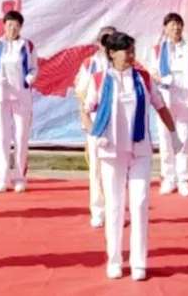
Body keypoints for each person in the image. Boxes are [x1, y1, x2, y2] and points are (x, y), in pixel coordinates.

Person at [85, 32, 180, 281]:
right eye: (126, 51)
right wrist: (94, 134)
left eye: (132, 51)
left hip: (140, 149)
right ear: (112, 53)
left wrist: (174, 134)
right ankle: (114, 260)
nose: (130, 56)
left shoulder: (143, 78)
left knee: (139, 204)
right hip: (111, 151)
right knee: (114, 206)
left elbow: (160, 106)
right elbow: (85, 110)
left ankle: (139, 263)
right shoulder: (98, 79)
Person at [148, 12, 188, 197]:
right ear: (165, 28)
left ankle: (183, 179)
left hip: (185, 100)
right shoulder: (157, 50)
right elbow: (152, 72)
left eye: (178, 24)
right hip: (165, 99)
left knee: (185, 138)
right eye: (172, 24)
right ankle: (168, 178)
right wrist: (161, 79)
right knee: (165, 139)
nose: (176, 28)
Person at [0, 10, 38, 193]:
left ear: (21, 27)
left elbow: (34, 68)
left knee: (21, 136)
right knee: (2, 137)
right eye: (9, 25)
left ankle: (20, 177)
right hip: (0, 95)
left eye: (16, 26)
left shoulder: (28, 46)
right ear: (4, 25)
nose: (12, 29)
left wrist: (28, 79)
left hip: (21, 95)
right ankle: (3, 177)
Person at [75, 25, 116, 228]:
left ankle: (115, 210)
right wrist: (87, 122)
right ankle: (99, 210)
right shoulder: (90, 64)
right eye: (104, 40)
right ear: (98, 43)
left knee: (117, 170)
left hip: (117, 122)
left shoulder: (123, 62)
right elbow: (81, 92)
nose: (107, 44)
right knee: (97, 169)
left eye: (112, 39)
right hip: (96, 120)